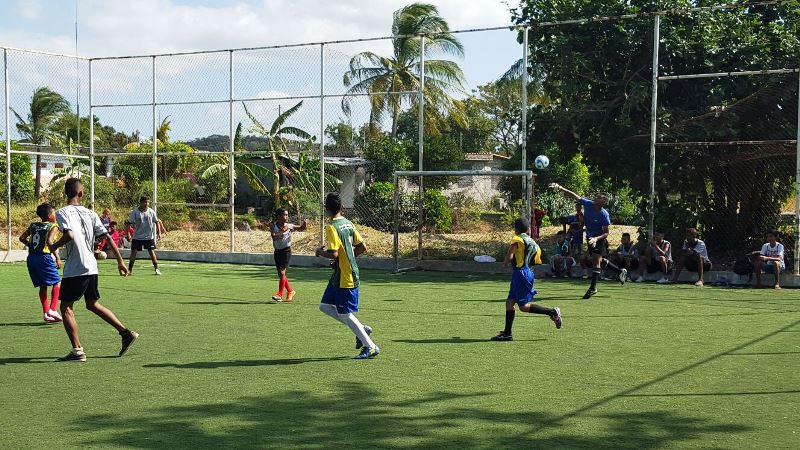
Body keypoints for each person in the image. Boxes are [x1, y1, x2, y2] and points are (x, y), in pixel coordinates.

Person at [49, 178, 138, 362]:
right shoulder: (91, 213)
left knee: (65, 307)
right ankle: (125, 333)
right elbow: (108, 237)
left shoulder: (62, 212)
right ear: (81, 193)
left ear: (65, 193)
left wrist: (54, 246)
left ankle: (77, 351)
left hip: (76, 268)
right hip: (92, 266)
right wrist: (120, 262)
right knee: (92, 304)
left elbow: (69, 234)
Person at [315, 193, 378, 359]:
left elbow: (333, 253)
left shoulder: (332, 227)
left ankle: (371, 347)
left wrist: (319, 252)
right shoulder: (348, 223)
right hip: (341, 273)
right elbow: (362, 247)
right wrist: (343, 261)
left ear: (326, 209)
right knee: (325, 306)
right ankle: (362, 330)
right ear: (342, 206)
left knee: (345, 314)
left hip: (345, 275)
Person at [550, 183, 627, 299]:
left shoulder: (604, 215)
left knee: (596, 261)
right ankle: (620, 271)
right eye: (596, 197)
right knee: (598, 260)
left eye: (599, 198)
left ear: (603, 203)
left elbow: (606, 233)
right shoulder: (588, 204)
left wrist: (596, 239)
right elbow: (574, 195)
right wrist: (560, 188)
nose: (595, 198)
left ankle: (593, 288)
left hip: (599, 239)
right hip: (589, 238)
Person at [491, 218, 561, 341]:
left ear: (516, 229)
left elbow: (510, 254)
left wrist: (505, 262)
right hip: (526, 271)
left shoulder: (517, 239)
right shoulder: (532, 242)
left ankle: (552, 312)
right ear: (527, 229)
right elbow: (536, 258)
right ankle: (507, 333)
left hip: (520, 273)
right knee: (510, 302)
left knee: (523, 306)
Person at [19, 203, 63, 323]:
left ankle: (46, 313)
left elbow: (22, 238)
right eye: (54, 213)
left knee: (43, 285)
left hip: (32, 258)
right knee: (57, 283)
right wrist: (57, 257)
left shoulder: (34, 225)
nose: (55, 215)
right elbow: (49, 241)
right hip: (44, 257)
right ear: (49, 216)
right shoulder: (53, 226)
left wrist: (31, 246)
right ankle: (53, 309)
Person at [270, 208, 308, 302]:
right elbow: (274, 237)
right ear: (278, 216)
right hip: (277, 251)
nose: (286, 217)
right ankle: (290, 291)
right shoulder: (273, 225)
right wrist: (282, 232)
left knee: (282, 272)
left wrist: (304, 224)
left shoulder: (290, 226)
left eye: (287, 215)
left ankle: (279, 295)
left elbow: (301, 228)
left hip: (286, 251)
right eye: (284, 215)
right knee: (280, 274)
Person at [125, 196, 167, 276]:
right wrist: (128, 234)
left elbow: (157, 221)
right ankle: (129, 270)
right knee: (133, 253)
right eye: (145, 202)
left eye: (147, 202)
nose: (146, 204)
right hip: (137, 237)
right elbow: (129, 223)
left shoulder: (151, 211)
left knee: (151, 252)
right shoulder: (135, 212)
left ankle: (157, 269)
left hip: (149, 237)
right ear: (141, 203)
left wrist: (159, 232)